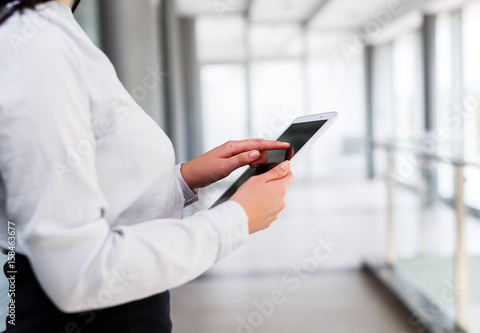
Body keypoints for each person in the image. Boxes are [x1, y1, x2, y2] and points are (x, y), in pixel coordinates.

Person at [0, 0, 294, 331]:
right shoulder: (33, 45)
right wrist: (236, 219)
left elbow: (98, 195)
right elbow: (77, 274)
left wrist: (183, 180)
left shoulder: (54, 31)